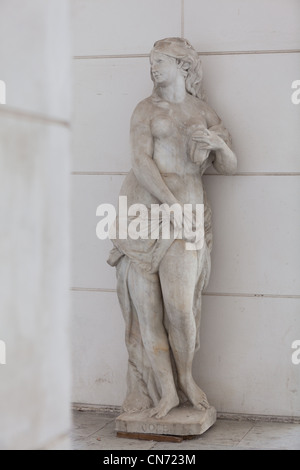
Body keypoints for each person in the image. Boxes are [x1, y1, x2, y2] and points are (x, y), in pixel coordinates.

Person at [108, 37, 237, 419]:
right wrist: (171, 204)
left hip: (190, 216)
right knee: (147, 310)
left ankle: (186, 379)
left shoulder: (203, 111)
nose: (153, 68)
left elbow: (229, 166)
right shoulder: (145, 110)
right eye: (151, 61)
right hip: (145, 211)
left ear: (183, 66)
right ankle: (164, 391)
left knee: (181, 309)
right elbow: (141, 162)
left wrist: (218, 145)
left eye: (160, 61)